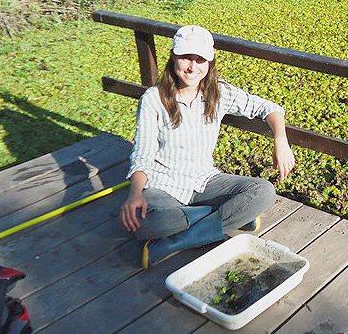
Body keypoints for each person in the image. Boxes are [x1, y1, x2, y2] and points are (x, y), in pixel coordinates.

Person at [120, 24, 295, 269]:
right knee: (147, 222)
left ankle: (175, 242)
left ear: (209, 62)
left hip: (205, 180)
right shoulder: (153, 99)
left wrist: (280, 140)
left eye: (200, 59)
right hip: (163, 186)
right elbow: (142, 154)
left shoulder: (218, 92)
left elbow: (270, 108)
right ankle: (227, 216)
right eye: (185, 58)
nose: (192, 67)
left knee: (263, 192)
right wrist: (135, 193)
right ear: (173, 56)